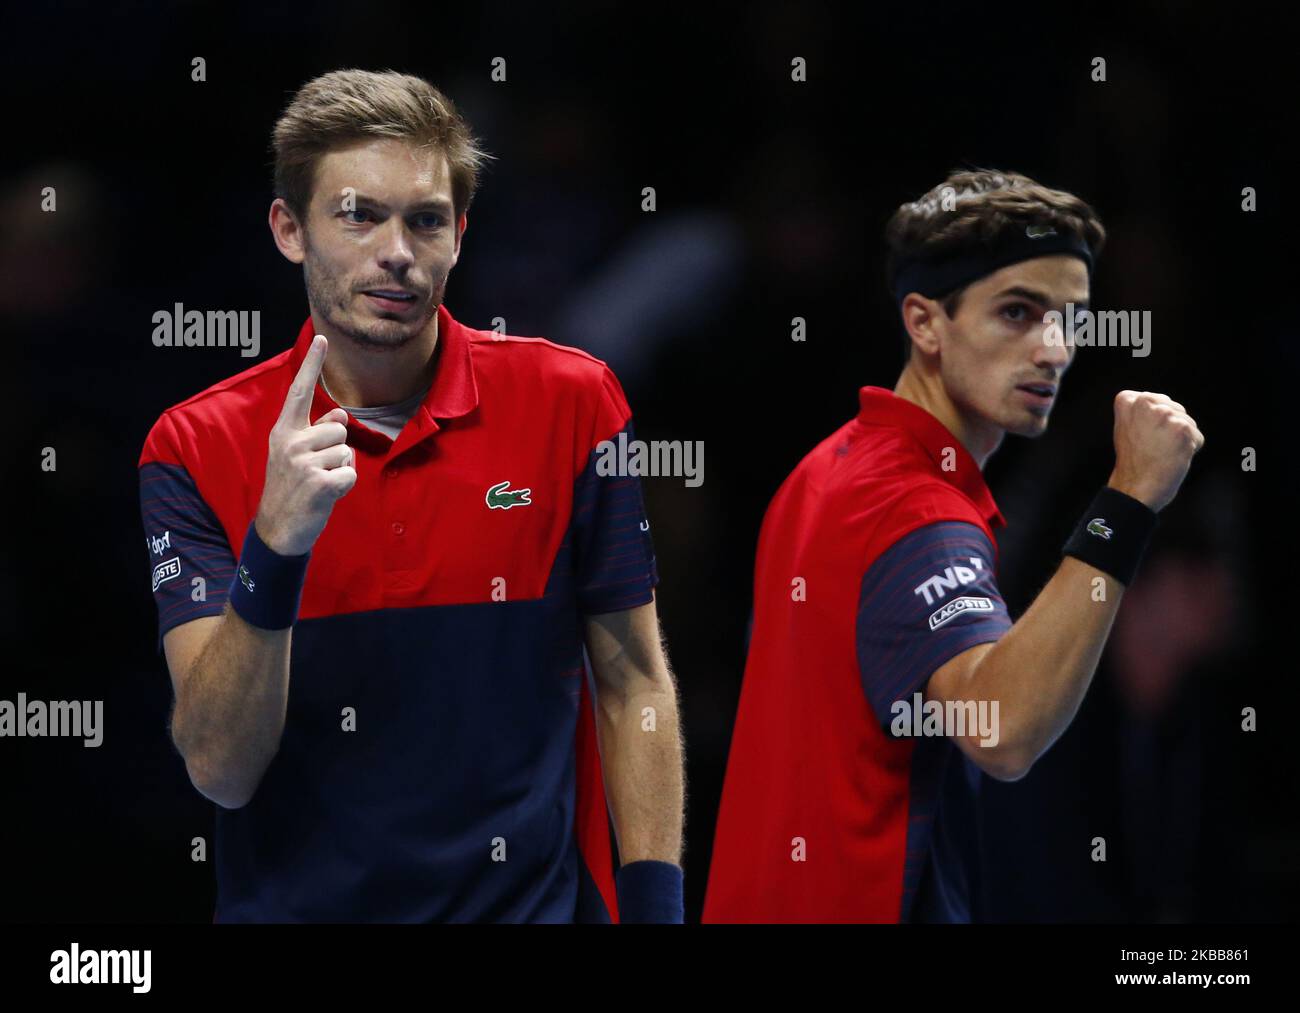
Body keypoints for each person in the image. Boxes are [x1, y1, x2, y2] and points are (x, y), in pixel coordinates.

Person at [138, 69, 684, 923]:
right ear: (290, 229)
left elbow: (634, 682)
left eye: (425, 220)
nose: (397, 249)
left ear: (459, 236)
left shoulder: (573, 402)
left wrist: (656, 912)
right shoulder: (193, 447)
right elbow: (220, 767)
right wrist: (275, 547)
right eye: (358, 213)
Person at [703, 168, 1204, 922]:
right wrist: (1129, 501)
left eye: (1068, 319)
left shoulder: (824, 470)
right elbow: (1000, 729)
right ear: (925, 322)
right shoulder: (914, 506)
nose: (1053, 350)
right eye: (1017, 312)